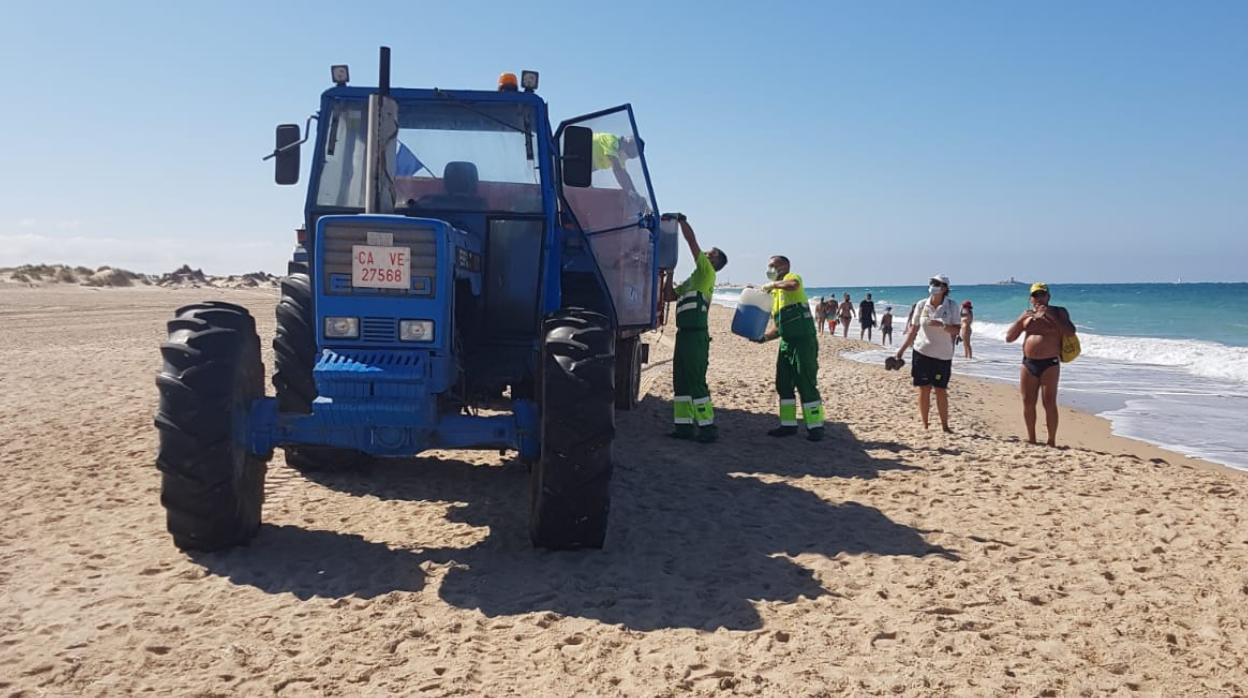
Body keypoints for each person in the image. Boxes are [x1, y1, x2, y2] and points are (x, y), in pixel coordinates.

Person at [663, 214, 728, 442]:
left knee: (695, 380)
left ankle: (708, 428)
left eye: (711, 253)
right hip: (683, 335)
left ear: (714, 262)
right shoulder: (693, 279)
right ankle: (684, 428)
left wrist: (681, 221)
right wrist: (669, 272)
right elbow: (669, 295)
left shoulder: (706, 272)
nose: (706, 253)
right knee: (680, 381)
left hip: (696, 336)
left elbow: (692, 243)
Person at [757, 256, 825, 441]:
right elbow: (779, 327)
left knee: (806, 382)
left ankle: (815, 427)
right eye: (768, 266)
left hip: (803, 341)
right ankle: (788, 425)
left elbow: (793, 284)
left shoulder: (792, 278)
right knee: (783, 384)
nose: (769, 269)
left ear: (784, 266)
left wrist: (773, 285)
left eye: (773, 266)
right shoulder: (777, 296)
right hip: (786, 342)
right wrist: (764, 338)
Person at [1005, 282, 1076, 447]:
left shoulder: (1059, 312)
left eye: (1042, 294)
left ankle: (1051, 441)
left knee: (1049, 402)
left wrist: (1049, 316)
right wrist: (1021, 320)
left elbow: (1070, 331)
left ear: (1048, 296)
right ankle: (1032, 439)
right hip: (1028, 363)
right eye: (1035, 295)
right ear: (1031, 298)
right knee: (1028, 402)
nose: (1039, 298)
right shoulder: (1027, 315)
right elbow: (1009, 338)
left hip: (1050, 363)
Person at [893, 274, 960, 432]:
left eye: (936, 283)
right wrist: (900, 352)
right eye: (931, 282)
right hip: (921, 352)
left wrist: (942, 325)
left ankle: (945, 426)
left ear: (944, 288)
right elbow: (913, 330)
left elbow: (957, 330)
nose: (932, 285)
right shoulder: (922, 305)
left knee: (941, 390)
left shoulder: (952, 306)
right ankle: (925, 425)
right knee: (924, 388)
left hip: (943, 355)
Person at [592, 133, 642, 204]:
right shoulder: (611, 141)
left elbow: (625, 176)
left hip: (583, 165)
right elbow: (617, 170)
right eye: (630, 153)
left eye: (632, 156)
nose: (627, 157)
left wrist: (636, 195)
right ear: (626, 143)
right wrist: (630, 193)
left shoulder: (619, 156)